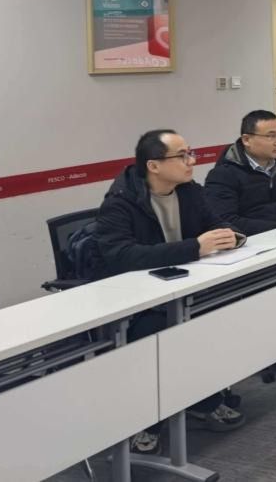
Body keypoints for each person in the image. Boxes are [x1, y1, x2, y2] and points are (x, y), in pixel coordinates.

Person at [96, 129, 246, 454]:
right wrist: (194, 247)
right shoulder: (121, 202)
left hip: (181, 285)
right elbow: (121, 255)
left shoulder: (190, 191)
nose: (191, 161)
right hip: (136, 300)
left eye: (190, 152)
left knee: (222, 314)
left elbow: (218, 223)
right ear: (154, 166)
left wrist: (230, 236)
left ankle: (203, 399)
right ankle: (145, 422)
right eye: (182, 156)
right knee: (162, 334)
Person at [205, 110, 276, 235]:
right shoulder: (223, 175)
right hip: (255, 241)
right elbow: (225, 220)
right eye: (270, 136)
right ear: (246, 140)